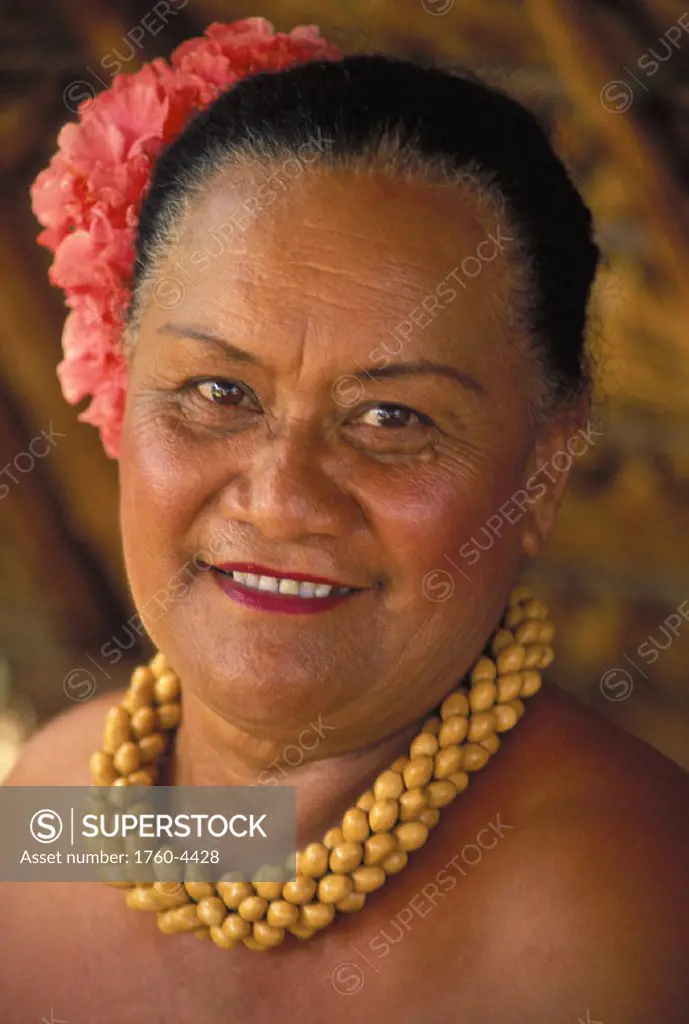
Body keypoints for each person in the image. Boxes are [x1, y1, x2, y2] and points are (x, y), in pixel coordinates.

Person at [2, 19, 688, 1024]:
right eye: (215, 390)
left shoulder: (624, 917)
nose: (280, 496)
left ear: (542, 467)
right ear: (119, 376)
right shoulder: (60, 802)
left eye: (390, 418)